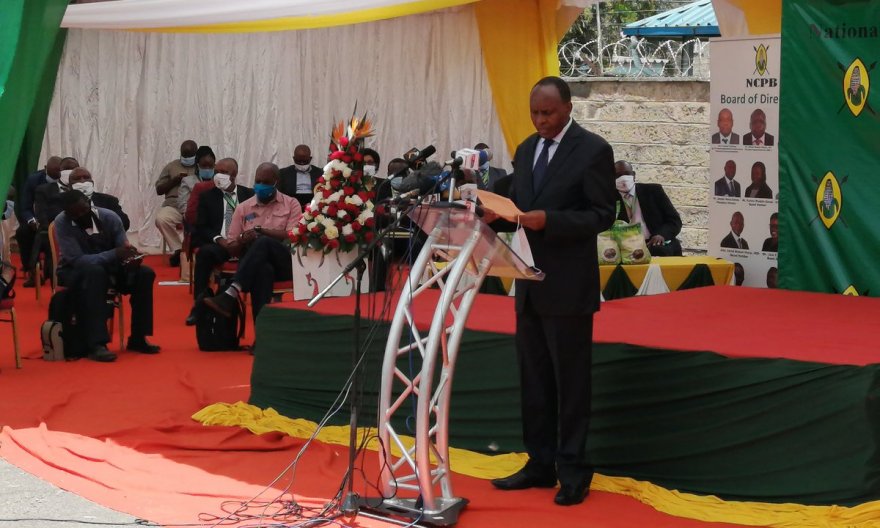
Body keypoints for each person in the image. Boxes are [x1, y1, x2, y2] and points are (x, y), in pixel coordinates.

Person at [482, 76, 617, 507]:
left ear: (568, 108)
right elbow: (519, 203)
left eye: (548, 113)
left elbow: (603, 214)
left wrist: (551, 221)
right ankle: (539, 462)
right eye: (535, 113)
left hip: (568, 285)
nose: (540, 120)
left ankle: (573, 470)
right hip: (528, 283)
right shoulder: (526, 150)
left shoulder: (593, 150)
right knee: (535, 380)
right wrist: (492, 212)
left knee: (571, 383)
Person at [54, 190, 160, 362]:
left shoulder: (110, 217)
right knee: (95, 273)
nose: (81, 215)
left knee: (145, 274)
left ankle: (138, 337)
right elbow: (77, 260)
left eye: (84, 210)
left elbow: (123, 250)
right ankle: (96, 344)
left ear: (89, 202)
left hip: (110, 269)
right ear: (67, 213)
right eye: (75, 214)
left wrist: (131, 260)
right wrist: (114, 254)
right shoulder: (62, 222)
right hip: (75, 272)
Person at [204, 163, 302, 323]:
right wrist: (242, 239)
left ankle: (232, 291)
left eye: (266, 182)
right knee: (263, 271)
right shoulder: (243, 208)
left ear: (276, 182)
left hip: (283, 261)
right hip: (254, 265)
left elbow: (292, 236)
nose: (260, 185)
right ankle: (261, 329)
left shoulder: (291, 204)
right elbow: (231, 248)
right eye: (258, 181)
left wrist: (261, 231)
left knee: (263, 241)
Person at [185, 158, 254, 325]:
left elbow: (254, 219)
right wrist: (220, 240)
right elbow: (202, 227)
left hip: (244, 243)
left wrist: (242, 238)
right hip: (220, 244)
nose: (218, 176)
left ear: (234, 175)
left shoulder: (249, 195)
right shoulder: (207, 196)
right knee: (204, 253)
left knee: (259, 251)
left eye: (224, 172)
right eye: (217, 172)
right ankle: (199, 305)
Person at [613, 160, 682, 256]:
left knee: (658, 250)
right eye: (618, 175)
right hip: (627, 247)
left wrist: (661, 235)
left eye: (627, 174)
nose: (623, 178)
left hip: (655, 243)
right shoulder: (608, 199)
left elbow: (674, 221)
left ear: (633, 175)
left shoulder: (653, 191)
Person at [15, 156, 62, 286]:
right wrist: (32, 220)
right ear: (46, 169)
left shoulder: (67, 179)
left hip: (60, 221)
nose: (58, 174)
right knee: (23, 232)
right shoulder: (34, 180)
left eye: (60, 171)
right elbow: (25, 207)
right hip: (39, 220)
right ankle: (31, 271)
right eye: (54, 171)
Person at [154, 140, 198, 266]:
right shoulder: (171, 166)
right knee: (161, 219)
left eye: (190, 156)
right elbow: (159, 190)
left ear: (196, 154)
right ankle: (179, 249)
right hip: (174, 205)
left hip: (195, 206)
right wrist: (174, 181)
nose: (187, 158)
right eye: (185, 155)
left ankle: (197, 251)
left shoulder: (202, 167)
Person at [177, 146, 216, 220]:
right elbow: (183, 206)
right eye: (204, 166)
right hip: (195, 218)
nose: (207, 169)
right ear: (197, 165)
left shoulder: (219, 181)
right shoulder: (187, 181)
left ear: (214, 165)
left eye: (210, 166)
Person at [279, 144, 322, 209]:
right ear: (294, 158)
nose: (302, 164)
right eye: (299, 161)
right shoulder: (283, 173)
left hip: (313, 203)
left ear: (310, 159)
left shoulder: (320, 173)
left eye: (305, 161)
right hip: (290, 204)